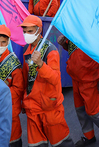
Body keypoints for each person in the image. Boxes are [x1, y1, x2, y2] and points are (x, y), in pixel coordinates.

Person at [20, 15, 74, 147]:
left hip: (49, 106)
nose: (26, 34)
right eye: (25, 31)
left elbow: (55, 79)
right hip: (32, 107)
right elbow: (25, 79)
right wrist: (24, 100)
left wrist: (40, 64)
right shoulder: (27, 51)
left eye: (30, 31)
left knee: (61, 143)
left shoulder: (51, 50)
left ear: (39, 31)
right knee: (37, 144)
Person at [58, 35, 99, 146]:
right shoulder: (75, 29)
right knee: (80, 110)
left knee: (93, 111)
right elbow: (73, 51)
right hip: (76, 78)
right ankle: (89, 137)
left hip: (90, 80)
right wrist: (64, 44)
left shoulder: (92, 31)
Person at [0, 25, 24, 147]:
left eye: (3, 42)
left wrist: (3, 90)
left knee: (12, 140)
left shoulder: (14, 64)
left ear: (8, 42)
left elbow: (19, 89)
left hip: (10, 110)